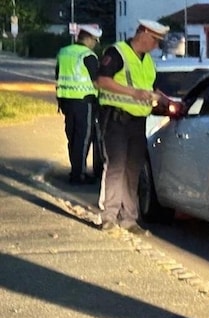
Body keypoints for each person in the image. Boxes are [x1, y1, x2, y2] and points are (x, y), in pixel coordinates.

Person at [97, 19, 169, 235]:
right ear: (144, 33)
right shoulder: (118, 52)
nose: (155, 46)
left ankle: (129, 218)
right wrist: (133, 93)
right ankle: (109, 216)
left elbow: (151, 86)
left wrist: (167, 100)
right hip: (116, 119)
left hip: (138, 122)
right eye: (155, 41)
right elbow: (102, 80)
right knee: (116, 167)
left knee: (133, 170)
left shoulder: (147, 61)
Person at [55, 25, 103, 185]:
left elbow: (58, 75)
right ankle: (78, 174)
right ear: (88, 39)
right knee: (83, 138)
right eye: (95, 40)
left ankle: (76, 170)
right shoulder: (88, 55)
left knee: (73, 137)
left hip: (66, 102)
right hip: (84, 102)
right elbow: (97, 82)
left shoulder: (63, 52)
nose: (95, 44)